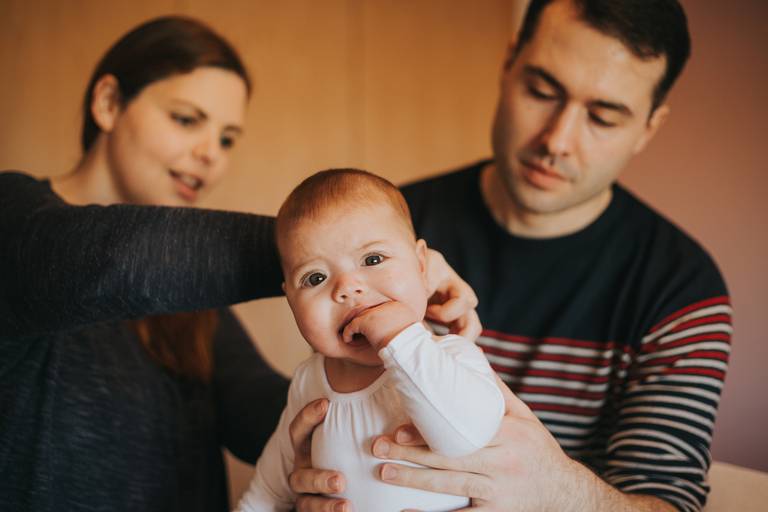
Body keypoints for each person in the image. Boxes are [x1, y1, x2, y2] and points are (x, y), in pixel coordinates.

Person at [0, 17, 479, 512]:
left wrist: (363, 455)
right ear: (107, 102)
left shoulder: (188, 304)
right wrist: (351, 258)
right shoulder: (10, 213)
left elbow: (269, 414)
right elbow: (117, 262)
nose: (210, 154)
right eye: (186, 119)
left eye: (227, 139)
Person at [289, 1, 732, 511]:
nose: (557, 141)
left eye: (604, 117)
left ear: (649, 128)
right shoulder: (385, 232)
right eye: (541, 91)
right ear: (508, 65)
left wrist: (561, 490)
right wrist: (314, 476)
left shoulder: (681, 290)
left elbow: (668, 501)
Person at [235, 169, 504, 511]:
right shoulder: (308, 381)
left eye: (373, 259)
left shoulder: (453, 355)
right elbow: (270, 491)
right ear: (290, 300)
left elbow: (463, 437)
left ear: (424, 268)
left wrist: (400, 338)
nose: (348, 287)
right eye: (315, 277)